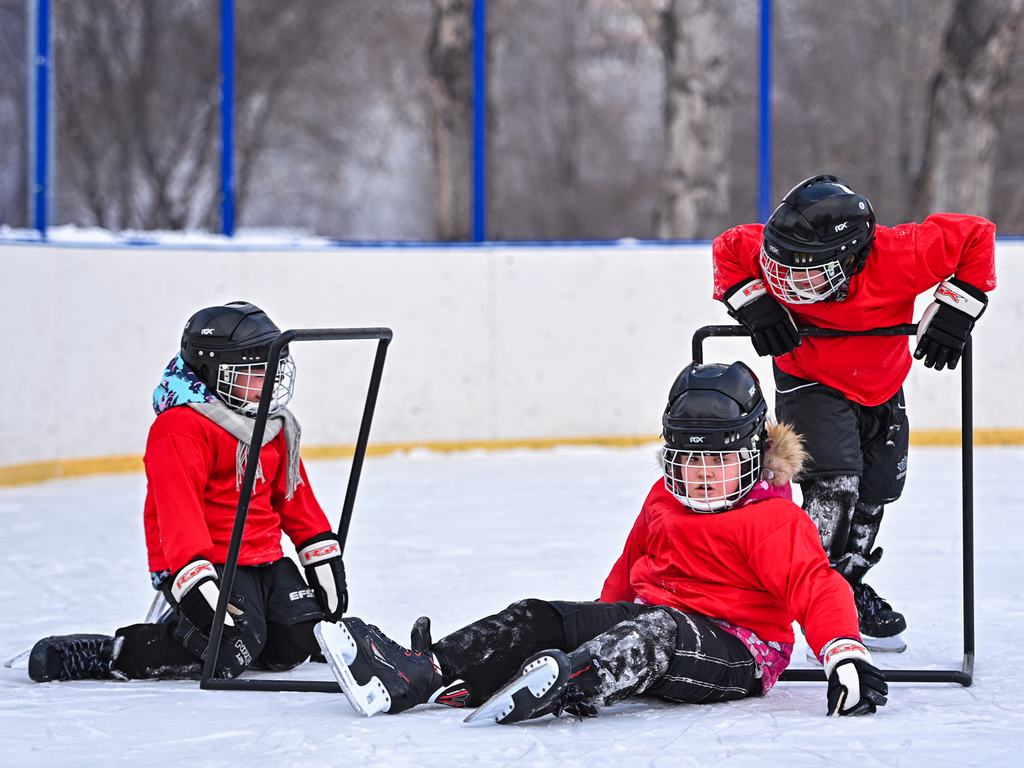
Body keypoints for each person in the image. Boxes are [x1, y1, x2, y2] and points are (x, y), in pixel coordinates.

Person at [312, 361, 888, 723]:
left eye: (719, 462)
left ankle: (568, 681)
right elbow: (630, 566)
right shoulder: (663, 500)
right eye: (688, 461)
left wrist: (845, 654)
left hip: (739, 651)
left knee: (654, 632)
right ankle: (423, 670)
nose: (702, 476)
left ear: (754, 459)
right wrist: (588, 619)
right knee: (540, 614)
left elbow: (816, 586)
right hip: (652, 620)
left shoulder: (773, 522)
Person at [713, 174, 997, 650]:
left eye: (804, 273)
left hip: (882, 385)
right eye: (778, 269)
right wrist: (753, 302)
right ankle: (807, 593)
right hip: (809, 377)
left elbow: (975, 234)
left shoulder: (904, 253)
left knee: (877, 490)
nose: (786, 284)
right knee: (835, 484)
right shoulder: (768, 247)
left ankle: (847, 582)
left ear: (852, 258)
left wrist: (958, 305)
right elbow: (728, 248)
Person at [27, 301, 348, 682]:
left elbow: (295, 498)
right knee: (226, 649)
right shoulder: (181, 426)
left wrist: (321, 555)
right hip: (205, 559)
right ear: (215, 372)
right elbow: (179, 513)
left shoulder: (271, 424)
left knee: (299, 638)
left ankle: (240, 636)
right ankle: (112, 653)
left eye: (274, 368)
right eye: (256, 371)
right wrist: (194, 581)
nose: (272, 380)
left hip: (262, 554)